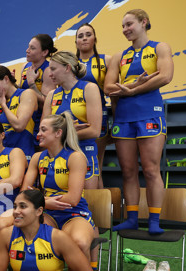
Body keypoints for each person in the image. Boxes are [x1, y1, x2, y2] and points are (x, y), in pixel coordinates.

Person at [104, 9, 174, 236]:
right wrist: (136, 85)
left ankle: (154, 219)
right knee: (128, 171)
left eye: (129, 24)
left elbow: (164, 76)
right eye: (123, 26)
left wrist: (129, 89)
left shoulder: (160, 47)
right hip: (123, 117)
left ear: (144, 22)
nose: (125, 30)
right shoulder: (118, 56)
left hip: (150, 114)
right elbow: (108, 88)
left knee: (152, 170)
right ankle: (132, 218)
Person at [23, 112, 95, 271]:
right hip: (46, 212)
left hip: (73, 214)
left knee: (80, 242)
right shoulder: (37, 157)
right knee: (29, 237)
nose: (38, 134)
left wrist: (39, 201)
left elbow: (72, 199)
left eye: (43, 130)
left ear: (58, 133)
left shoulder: (76, 157)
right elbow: (24, 193)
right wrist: (45, 202)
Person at [42, 51, 102, 189]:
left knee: (87, 203)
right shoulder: (51, 95)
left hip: (84, 152)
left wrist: (63, 134)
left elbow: (95, 131)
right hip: (58, 156)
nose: (49, 74)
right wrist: (67, 132)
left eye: (53, 69)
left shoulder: (89, 88)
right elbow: (44, 131)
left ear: (67, 68)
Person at [75, 23, 112, 188]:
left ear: (95, 38)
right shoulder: (70, 64)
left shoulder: (107, 60)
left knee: (95, 165)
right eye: (80, 36)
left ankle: (97, 212)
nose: (84, 38)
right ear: (76, 42)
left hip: (98, 117)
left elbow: (114, 93)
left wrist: (116, 121)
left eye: (88, 34)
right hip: (74, 117)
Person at [0, 65, 37, 159]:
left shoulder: (26, 94)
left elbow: (19, 126)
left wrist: (4, 106)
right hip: (3, 158)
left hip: (24, 156)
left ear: (6, 79)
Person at [19, 34, 58, 141]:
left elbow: (47, 103)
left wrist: (32, 83)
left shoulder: (48, 70)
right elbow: (21, 94)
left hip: (39, 121)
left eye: (32, 48)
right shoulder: (24, 67)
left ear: (44, 52)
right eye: (28, 47)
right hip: (25, 119)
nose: (27, 50)